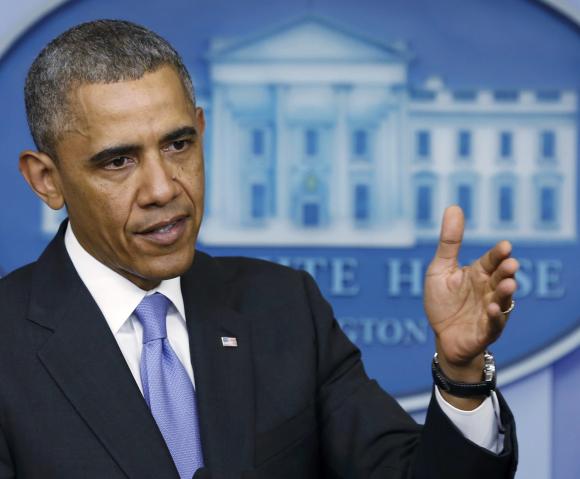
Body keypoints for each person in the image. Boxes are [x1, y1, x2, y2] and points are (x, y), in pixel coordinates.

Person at [0, 19, 519, 479]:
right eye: (118, 162)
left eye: (178, 145)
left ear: (202, 131)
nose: (162, 189)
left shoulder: (285, 306)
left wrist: (461, 375)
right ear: (47, 180)